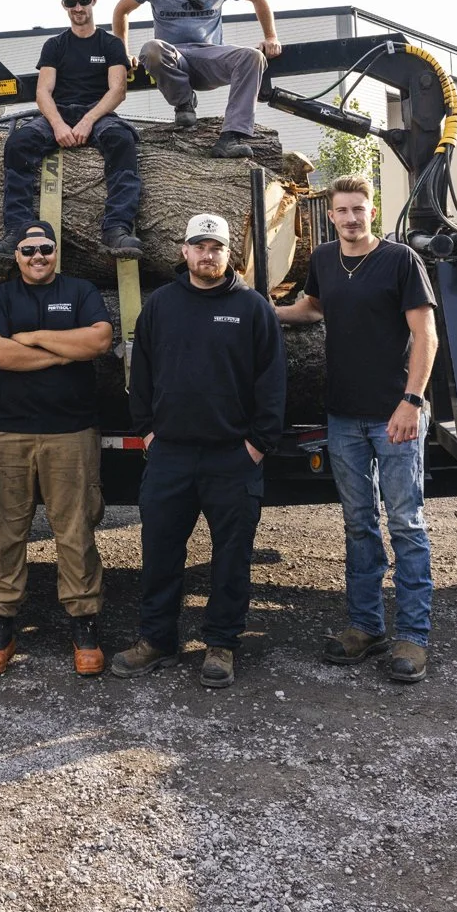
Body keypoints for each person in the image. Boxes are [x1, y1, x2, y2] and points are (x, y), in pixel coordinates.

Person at [112, 211, 285, 688]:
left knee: (232, 556)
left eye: (217, 248)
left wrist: (256, 446)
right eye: (199, 246)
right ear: (183, 251)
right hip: (170, 456)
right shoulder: (162, 305)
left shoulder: (252, 308)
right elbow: (140, 375)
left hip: (233, 457)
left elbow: (272, 384)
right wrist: (147, 432)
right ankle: (156, 639)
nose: (207, 255)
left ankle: (222, 643)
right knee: (160, 551)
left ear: (229, 255)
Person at [276, 174, 438, 683]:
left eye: (359, 210)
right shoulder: (323, 260)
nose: (350, 218)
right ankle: (366, 627)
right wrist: (263, 310)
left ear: (372, 210)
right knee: (358, 523)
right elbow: (314, 308)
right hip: (343, 416)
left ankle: (413, 637)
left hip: (395, 415)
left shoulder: (399, 261)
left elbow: (425, 333)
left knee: (406, 524)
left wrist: (411, 402)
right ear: (331, 215)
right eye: (342, 210)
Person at [0, 220, 113, 677]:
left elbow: (98, 340)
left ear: (57, 253)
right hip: (6, 435)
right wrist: (64, 352)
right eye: (29, 249)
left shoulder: (81, 290)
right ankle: (0, 626)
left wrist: (31, 339)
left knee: (75, 532)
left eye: (46, 249)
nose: (38, 256)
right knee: (4, 532)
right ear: (17, 255)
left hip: (71, 433)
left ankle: (84, 625)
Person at [0, 0, 142, 259]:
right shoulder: (54, 45)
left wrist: (87, 121)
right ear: (64, 6)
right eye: (72, 2)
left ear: (94, 0)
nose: (78, 7)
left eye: (83, 0)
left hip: (98, 112)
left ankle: (116, 230)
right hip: (59, 112)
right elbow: (43, 92)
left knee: (121, 140)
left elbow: (117, 91)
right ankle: (17, 234)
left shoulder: (110, 44)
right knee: (18, 144)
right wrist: (57, 124)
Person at [111, 0, 282, 158]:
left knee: (252, 57)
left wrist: (271, 36)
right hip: (174, 57)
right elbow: (121, 10)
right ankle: (184, 103)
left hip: (210, 56)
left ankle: (231, 137)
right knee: (151, 49)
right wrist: (121, 54)